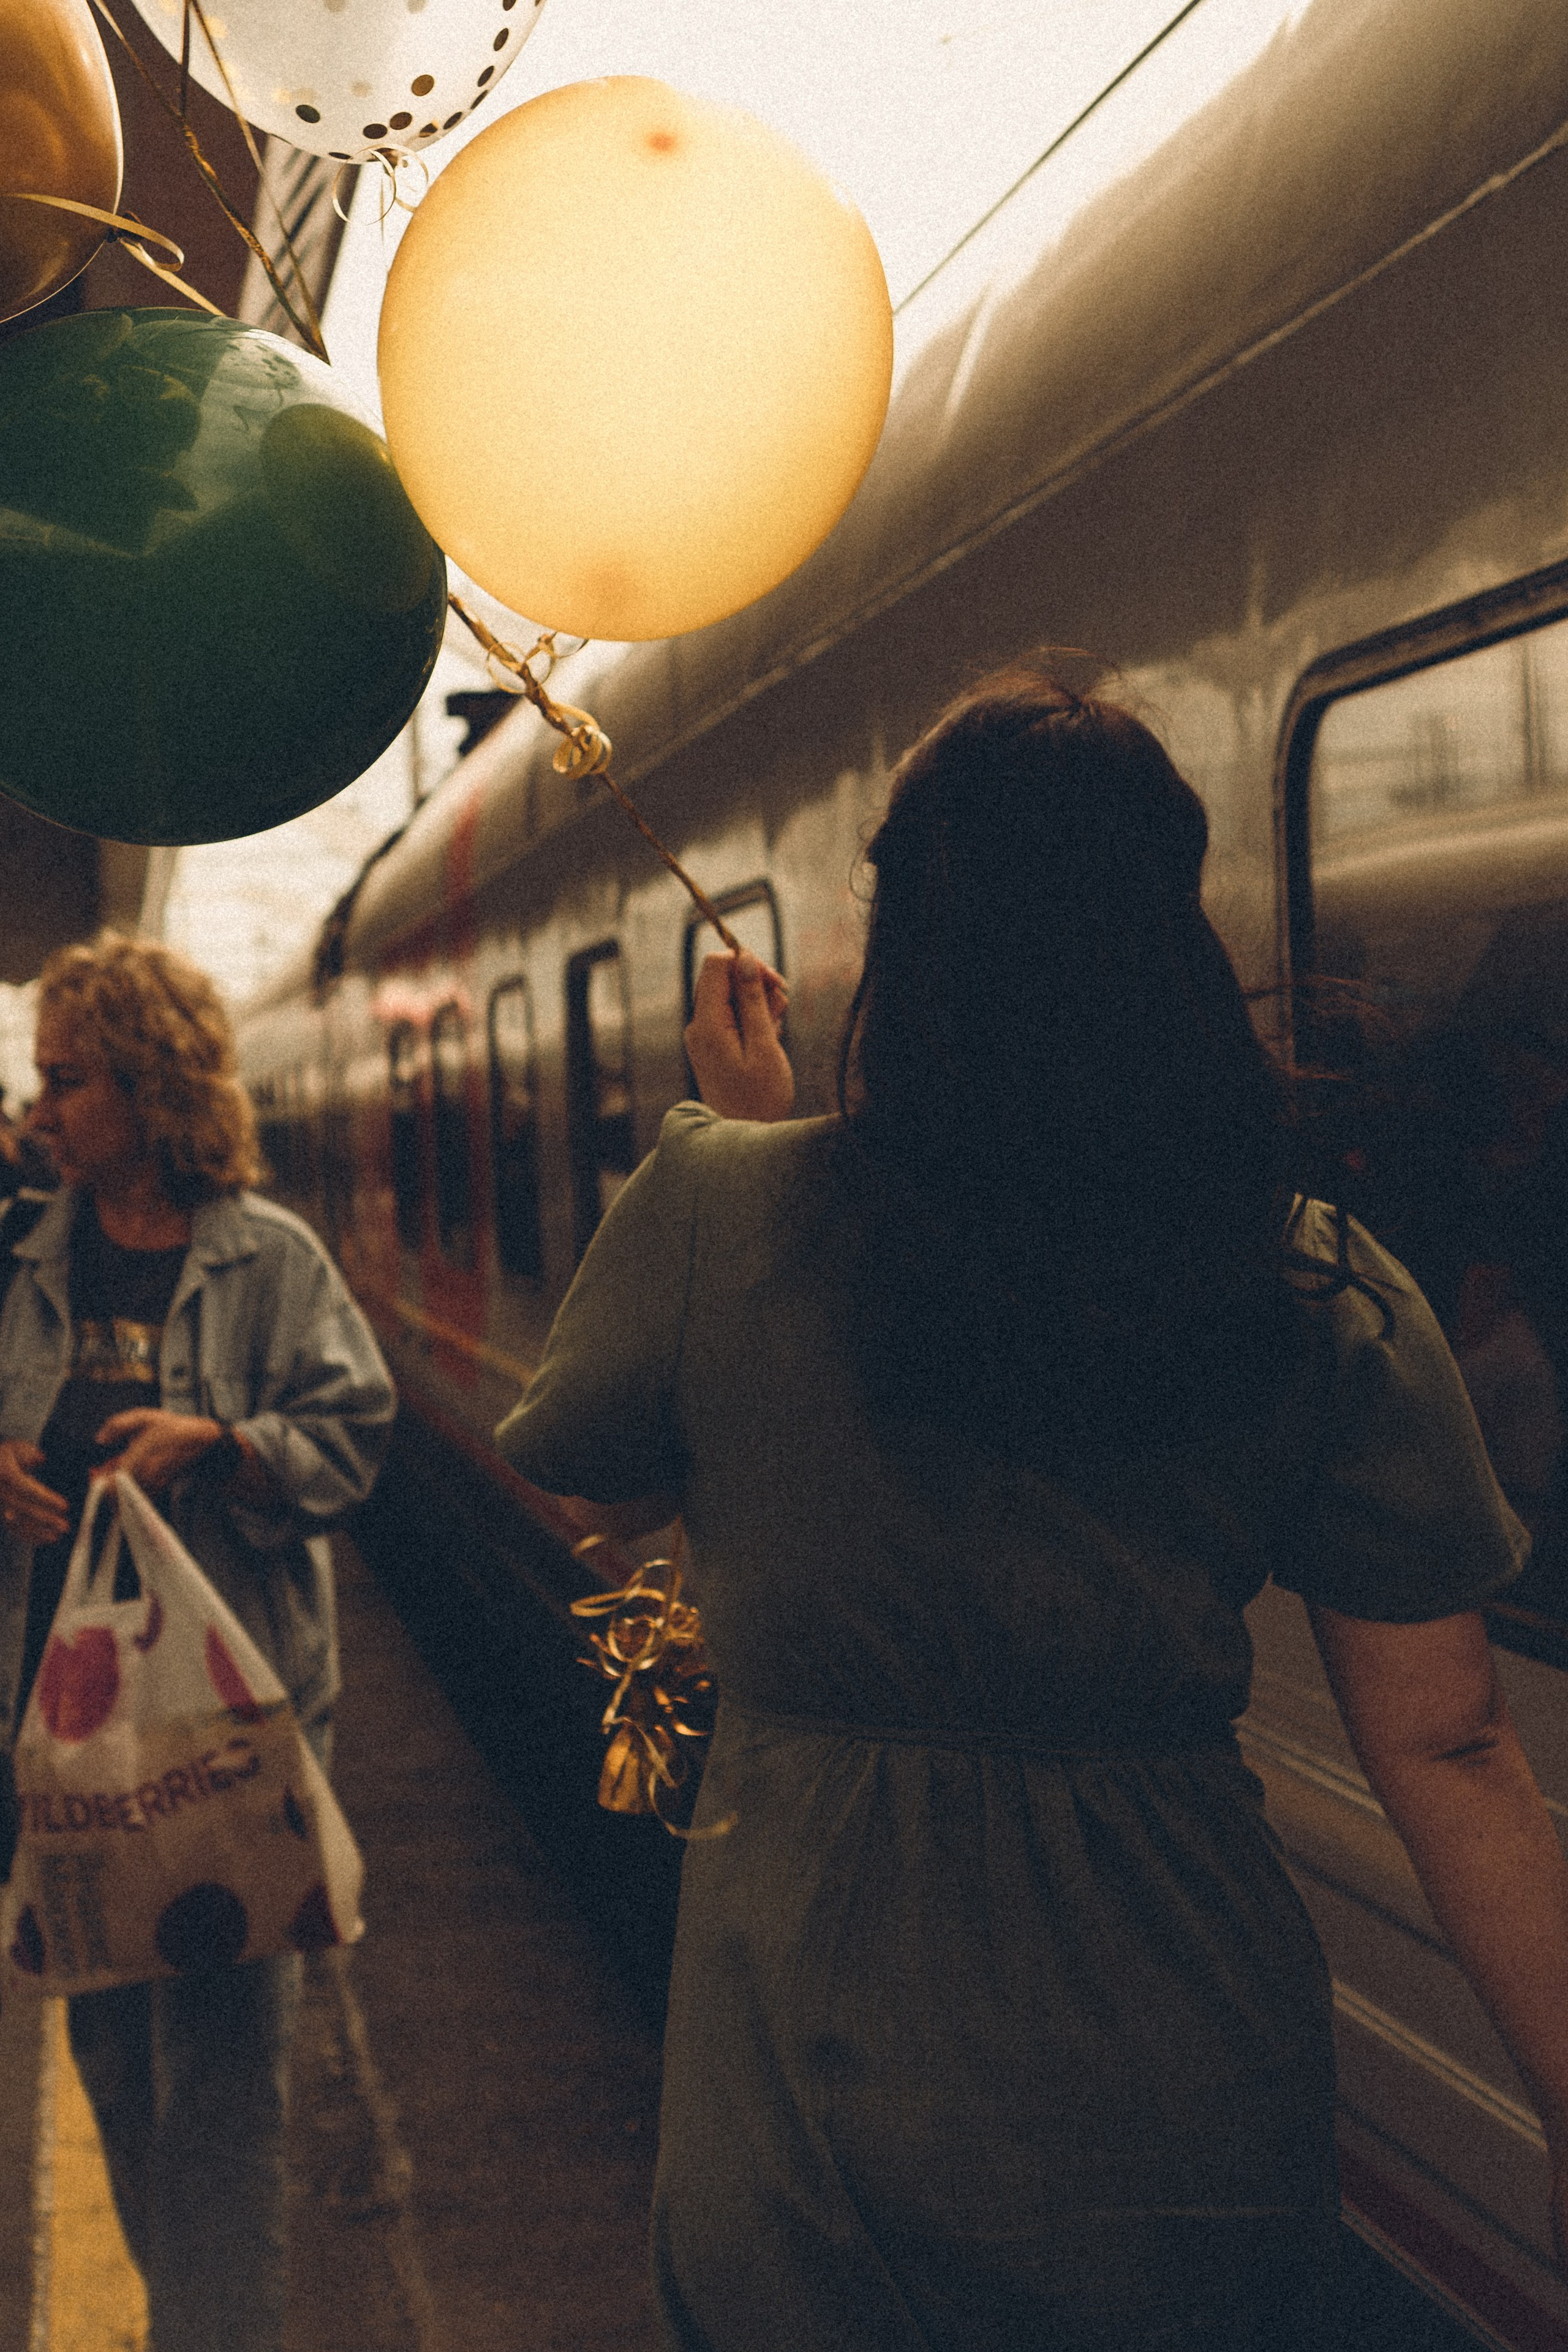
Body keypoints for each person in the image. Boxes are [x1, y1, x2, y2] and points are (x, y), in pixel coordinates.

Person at [496, 665, 1568, 2351]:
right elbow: (1449, 1744)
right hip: (1190, 2095)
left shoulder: (716, 1205)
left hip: (815, 2115)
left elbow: (607, 1488)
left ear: (903, 939)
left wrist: (749, 1144)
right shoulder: (1311, 1278)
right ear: (1169, 939)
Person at [0, 932, 395, 2352]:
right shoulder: (16, 1261)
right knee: (111, 2060)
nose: (42, 1109)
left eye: (68, 1080)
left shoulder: (270, 1262)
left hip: (227, 1735)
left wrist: (225, 1445)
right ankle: (192, 2319)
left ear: (151, 1085)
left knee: (223, 2089)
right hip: (63, 1737)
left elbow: (353, 1439)